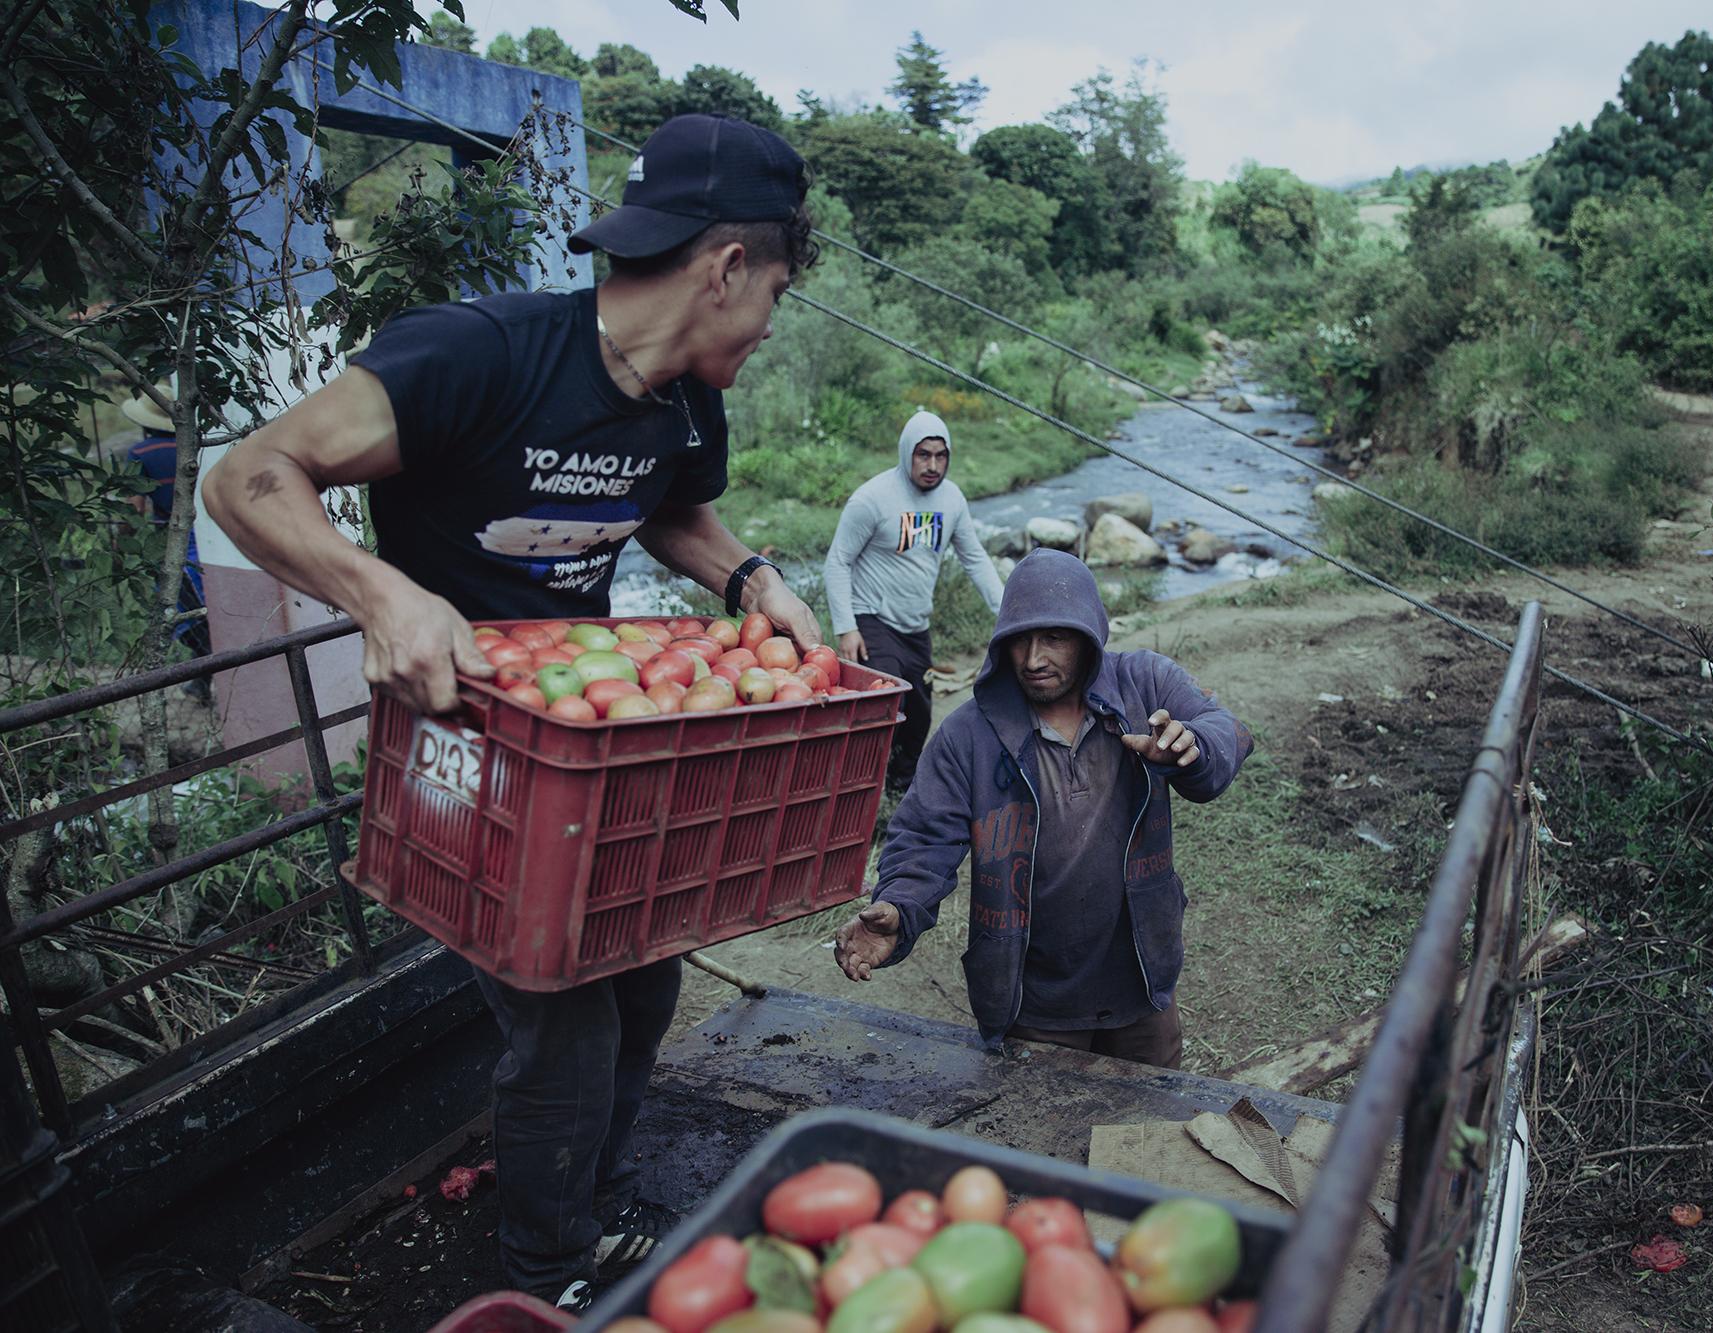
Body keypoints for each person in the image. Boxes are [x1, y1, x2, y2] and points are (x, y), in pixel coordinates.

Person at [202, 114, 822, 1313]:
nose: (769, 320)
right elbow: (250, 475)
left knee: (645, 979)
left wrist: (752, 581)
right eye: (778, 291)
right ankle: (551, 1274)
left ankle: (578, 1198)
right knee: (562, 1017)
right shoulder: (479, 355)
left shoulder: (687, 404)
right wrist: (379, 590)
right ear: (728, 266)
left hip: (584, 745)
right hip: (464, 750)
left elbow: (672, 511)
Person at [832, 549, 1253, 1068]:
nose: (1033, 659)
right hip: (1032, 998)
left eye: (1054, 638)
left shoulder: (1144, 684)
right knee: (1041, 1135)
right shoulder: (968, 735)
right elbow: (923, 839)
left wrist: (1194, 748)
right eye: (1019, 641)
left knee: (1149, 1127)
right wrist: (899, 908)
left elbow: (1226, 728)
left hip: (1140, 978)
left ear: (1089, 637)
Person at [822, 410, 1003, 788]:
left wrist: (1007, 611)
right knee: (886, 705)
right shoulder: (872, 499)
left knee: (919, 717)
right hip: (871, 618)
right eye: (924, 455)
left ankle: (898, 790)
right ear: (907, 453)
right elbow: (837, 561)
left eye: (941, 455)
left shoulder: (952, 499)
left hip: (916, 627)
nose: (933, 465)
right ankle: (858, 788)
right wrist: (846, 627)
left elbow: (974, 558)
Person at [121, 387, 211, 659]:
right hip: (209, 533)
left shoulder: (140, 453)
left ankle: (205, 666)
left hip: (171, 536)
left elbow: (133, 507)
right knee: (206, 607)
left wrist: (122, 541)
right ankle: (203, 678)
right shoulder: (197, 447)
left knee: (183, 610)